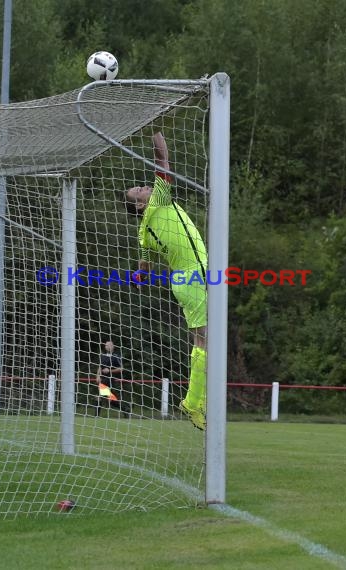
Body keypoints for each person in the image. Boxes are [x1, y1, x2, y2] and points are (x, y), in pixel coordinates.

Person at [125, 132, 207, 430]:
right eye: (139, 190)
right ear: (140, 206)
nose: (145, 186)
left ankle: (200, 397)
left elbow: (143, 269)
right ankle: (193, 400)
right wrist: (155, 127)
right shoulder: (158, 202)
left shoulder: (143, 232)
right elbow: (162, 158)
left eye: (143, 185)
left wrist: (137, 277)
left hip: (183, 280)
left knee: (205, 339)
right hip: (196, 276)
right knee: (205, 340)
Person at [95, 339, 131, 418]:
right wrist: (97, 376)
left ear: (112, 346)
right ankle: (125, 408)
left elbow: (121, 368)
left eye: (108, 345)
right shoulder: (102, 356)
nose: (106, 346)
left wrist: (109, 370)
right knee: (111, 399)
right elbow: (100, 367)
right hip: (103, 379)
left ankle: (96, 416)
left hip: (110, 379)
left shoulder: (116, 356)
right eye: (105, 345)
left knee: (99, 397)